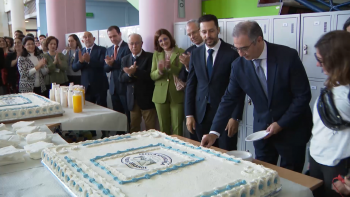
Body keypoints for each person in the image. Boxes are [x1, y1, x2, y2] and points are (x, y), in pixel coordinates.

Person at [202, 21, 312, 173]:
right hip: (262, 132)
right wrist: (214, 133)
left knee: (291, 178)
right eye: (237, 48)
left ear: (259, 40)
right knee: (262, 175)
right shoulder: (238, 65)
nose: (240, 53)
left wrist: (280, 123)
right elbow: (229, 99)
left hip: (291, 130)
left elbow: (303, 96)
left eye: (244, 48)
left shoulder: (287, 56)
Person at [185, 15, 243, 150]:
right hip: (200, 114)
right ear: (200, 32)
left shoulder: (232, 53)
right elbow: (191, 85)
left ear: (218, 30)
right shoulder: (196, 53)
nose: (208, 35)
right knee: (203, 153)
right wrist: (189, 114)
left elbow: (239, 89)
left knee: (226, 154)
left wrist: (235, 117)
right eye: (204, 32)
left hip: (225, 115)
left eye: (211, 31)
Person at [308, 30, 350, 197]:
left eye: (320, 60)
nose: (318, 64)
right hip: (317, 157)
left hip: (338, 164)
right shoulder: (334, 81)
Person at [150, 28, 185, 136]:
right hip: (160, 95)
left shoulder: (181, 52)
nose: (163, 42)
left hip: (177, 94)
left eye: (165, 39)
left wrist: (170, 67)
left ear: (170, 38)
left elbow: (183, 73)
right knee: (163, 128)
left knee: (177, 127)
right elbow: (152, 75)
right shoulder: (157, 54)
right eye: (160, 41)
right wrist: (160, 71)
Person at [119, 33, 156, 133]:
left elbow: (151, 76)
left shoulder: (150, 57)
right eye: (131, 43)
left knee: (151, 129)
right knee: (134, 128)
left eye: (137, 43)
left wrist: (135, 71)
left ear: (142, 43)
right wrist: (129, 75)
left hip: (147, 99)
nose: (134, 46)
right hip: (132, 99)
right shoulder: (125, 59)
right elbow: (121, 78)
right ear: (128, 45)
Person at [178, 19, 204, 142]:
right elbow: (183, 77)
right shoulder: (189, 51)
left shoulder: (215, 50)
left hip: (213, 103)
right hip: (195, 102)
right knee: (196, 140)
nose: (192, 36)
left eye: (195, 32)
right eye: (189, 34)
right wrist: (188, 66)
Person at [104, 26, 131, 132]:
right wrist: (109, 64)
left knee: (128, 116)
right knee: (117, 116)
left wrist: (113, 63)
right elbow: (105, 68)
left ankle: (130, 137)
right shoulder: (109, 49)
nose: (112, 39)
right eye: (110, 37)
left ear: (120, 34)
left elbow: (125, 66)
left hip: (124, 87)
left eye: (114, 36)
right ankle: (119, 136)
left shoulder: (127, 47)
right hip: (113, 88)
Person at [72, 31, 108, 107]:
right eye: (85, 37)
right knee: (88, 108)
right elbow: (74, 68)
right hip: (86, 87)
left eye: (89, 36)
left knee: (102, 108)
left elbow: (103, 65)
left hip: (100, 85)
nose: (87, 39)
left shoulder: (102, 50)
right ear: (82, 41)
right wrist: (80, 62)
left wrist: (90, 60)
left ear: (94, 39)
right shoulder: (80, 52)